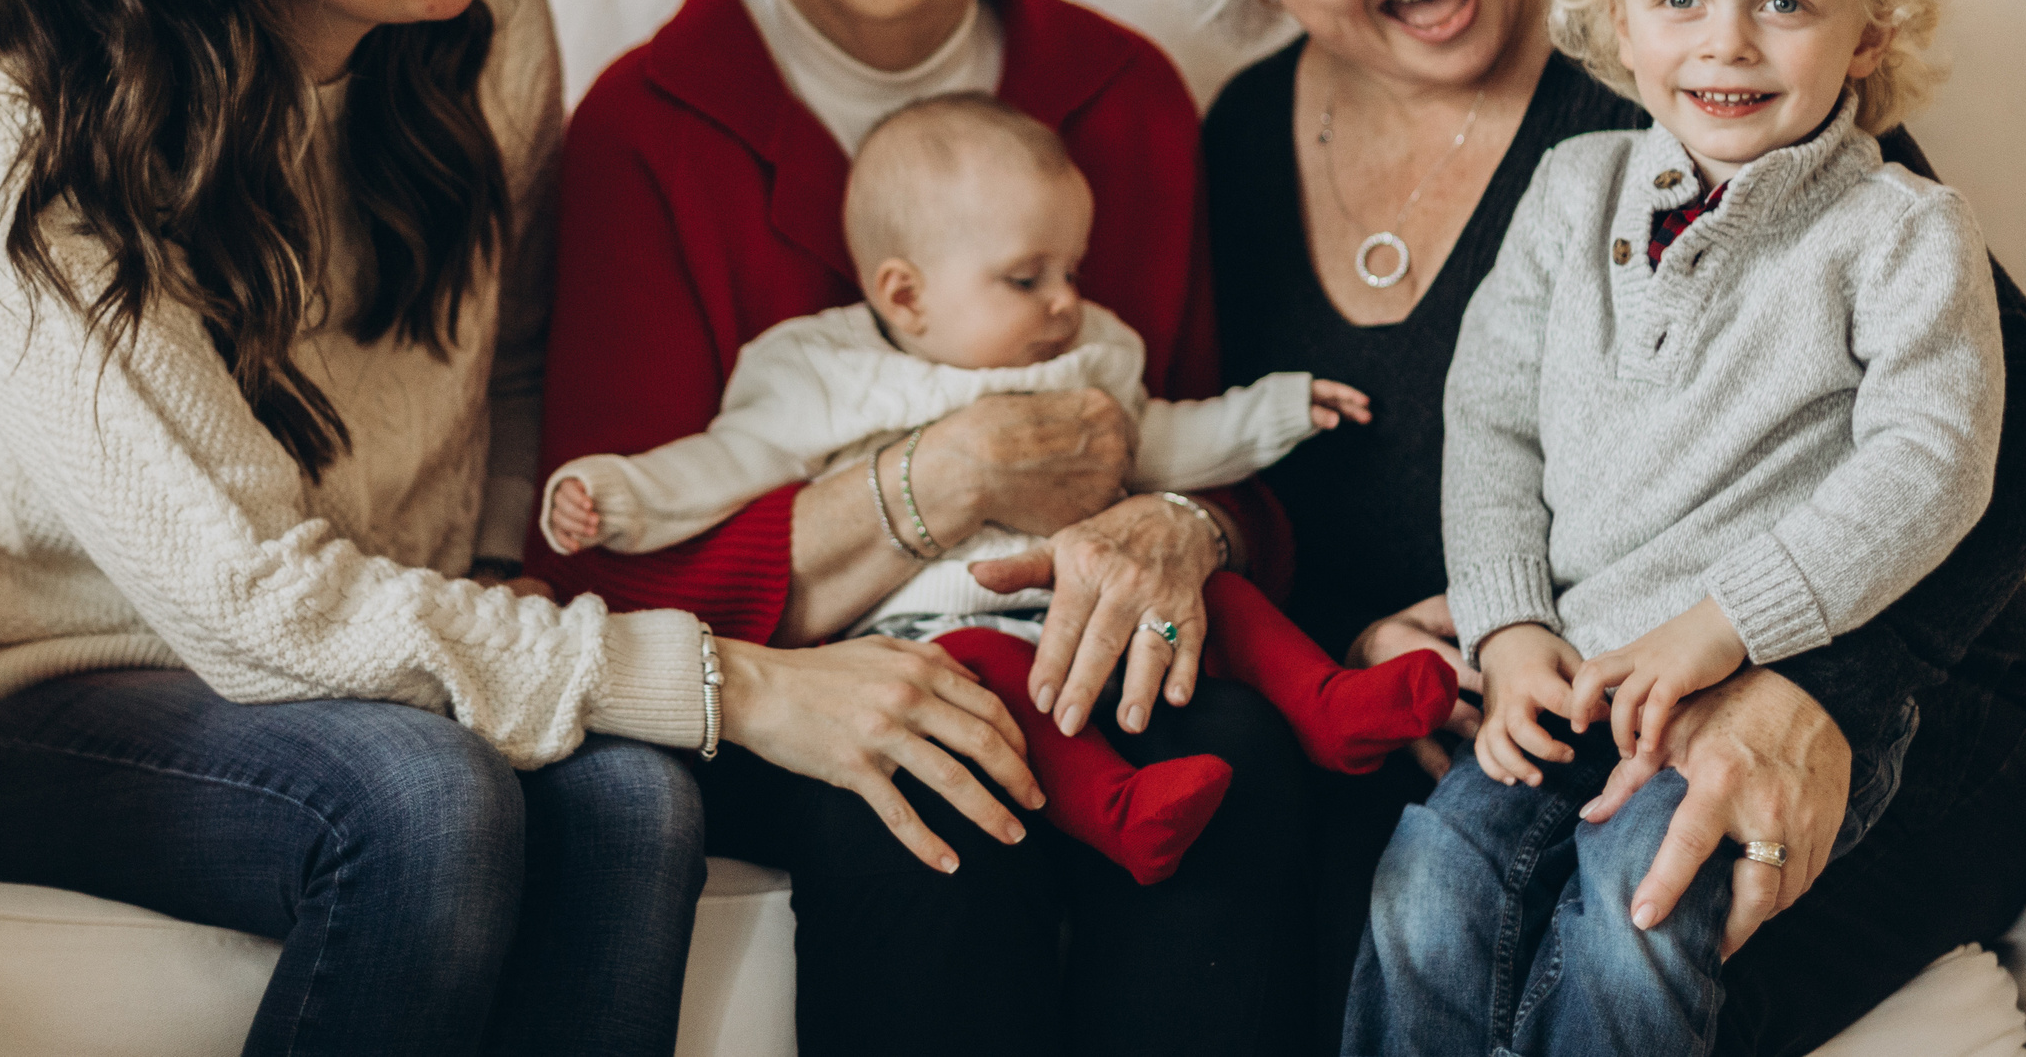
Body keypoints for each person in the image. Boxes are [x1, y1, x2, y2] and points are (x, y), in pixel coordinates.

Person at [0, 0, 1046, 1057]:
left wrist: (498, 572)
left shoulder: (486, 23)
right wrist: (734, 682)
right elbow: (258, 604)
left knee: (632, 796)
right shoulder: (37, 128)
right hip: (54, 687)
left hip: (378, 654)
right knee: (424, 804)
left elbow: (514, 370)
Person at [1127, 0, 2026, 1056]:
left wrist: (1812, 690)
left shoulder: (1703, 44)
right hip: (1550, 704)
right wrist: (1385, 637)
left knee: (1628, 967)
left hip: (1890, 684)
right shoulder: (1241, 141)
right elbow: (1278, 467)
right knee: (1362, 932)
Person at [524, 0, 1319, 1054]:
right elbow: (601, 576)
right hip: (799, 691)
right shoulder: (649, 125)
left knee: (1241, 753)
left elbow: (1228, 477)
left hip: (1080, 651)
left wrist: (1184, 530)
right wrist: (926, 486)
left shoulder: (1124, 101)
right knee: (925, 786)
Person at [1346, 0, 2005, 1054]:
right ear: (1621, 13)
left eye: (1786, 2)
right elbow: (1491, 421)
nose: (1726, 39)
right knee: (1425, 893)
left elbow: (1936, 462)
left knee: (1639, 918)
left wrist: (1723, 628)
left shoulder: (1902, 231)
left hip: (1754, 678)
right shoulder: (1570, 190)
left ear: (1870, 29)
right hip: (1564, 672)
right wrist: (1506, 622)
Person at [539, 92, 1455, 886]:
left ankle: (1331, 702)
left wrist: (1282, 408)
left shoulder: (1084, 353)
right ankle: (1117, 804)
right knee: (987, 686)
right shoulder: (826, 373)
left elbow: (1171, 441)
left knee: (1221, 593)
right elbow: (723, 462)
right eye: (1027, 278)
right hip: (945, 632)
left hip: (1099, 606)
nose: (1064, 300)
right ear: (905, 296)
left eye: (1073, 270)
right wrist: (617, 494)